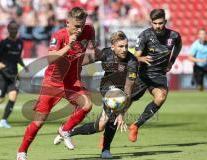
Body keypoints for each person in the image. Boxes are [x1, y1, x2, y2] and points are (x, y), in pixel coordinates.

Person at [17, 7, 97, 160]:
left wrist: (96, 56)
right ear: (67, 23)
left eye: (82, 25)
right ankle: (22, 152)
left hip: (72, 82)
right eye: (76, 26)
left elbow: (87, 52)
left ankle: (64, 130)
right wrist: (69, 46)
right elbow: (50, 58)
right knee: (39, 121)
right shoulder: (58, 36)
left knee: (87, 105)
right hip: (53, 83)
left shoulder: (89, 31)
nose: (79, 30)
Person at [99, 8, 182, 151]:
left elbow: (178, 46)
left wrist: (172, 61)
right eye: (155, 23)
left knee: (161, 97)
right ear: (151, 23)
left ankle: (136, 125)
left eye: (160, 23)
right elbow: (132, 57)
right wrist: (142, 58)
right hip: (141, 74)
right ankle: (107, 135)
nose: (158, 26)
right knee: (124, 101)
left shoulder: (174, 36)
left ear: (165, 22)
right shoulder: (145, 35)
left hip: (159, 75)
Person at [53, 31, 138, 159]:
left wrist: (122, 111)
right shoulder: (105, 53)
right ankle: (106, 150)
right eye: (121, 46)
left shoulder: (132, 61)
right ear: (112, 47)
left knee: (100, 126)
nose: (124, 49)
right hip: (106, 87)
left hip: (122, 91)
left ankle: (68, 131)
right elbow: (85, 59)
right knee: (113, 114)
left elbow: (128, 87)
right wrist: (69, 63)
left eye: (126, 46)